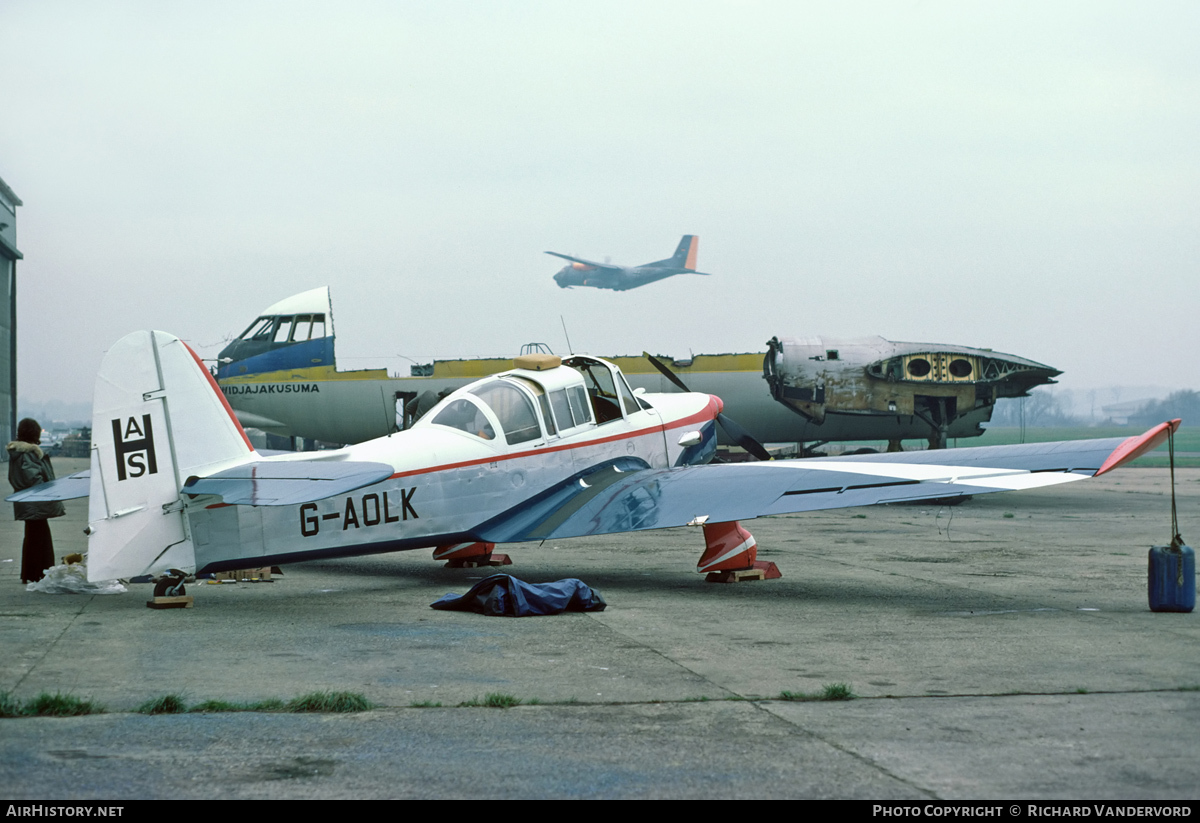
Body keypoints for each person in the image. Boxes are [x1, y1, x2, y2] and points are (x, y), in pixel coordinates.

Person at [8, 418, 65, 583]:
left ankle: (35, 573)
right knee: (38, 539)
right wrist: (47, 490)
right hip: (35, 502)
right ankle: (38, 574)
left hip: (30, 502)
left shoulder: (20, 454)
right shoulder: (27, 454)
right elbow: (32, 478)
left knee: (35, 538)